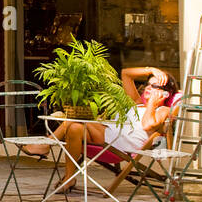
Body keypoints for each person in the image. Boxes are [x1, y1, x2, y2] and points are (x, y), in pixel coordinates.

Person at [23, 66, 178, 188]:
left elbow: (147, 124)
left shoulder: (162, 110)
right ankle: (69, 179)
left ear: (165, 94)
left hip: (118, 146)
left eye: (154, 85)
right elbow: (126, 74)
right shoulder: (136, 103)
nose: (147, 88)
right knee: (74, 127)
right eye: (147, 84)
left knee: (73, 120)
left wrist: (152, 103)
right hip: (107, 135)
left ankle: (45, 145)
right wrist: (151, 70)